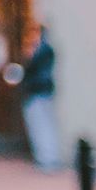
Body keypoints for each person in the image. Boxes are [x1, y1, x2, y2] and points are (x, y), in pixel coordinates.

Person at [20, 22, 61, 170]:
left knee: (42, 125)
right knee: (43, 125)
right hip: (40, 92)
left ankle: (48, 158)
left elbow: (33, 70)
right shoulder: (44, 50)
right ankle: (47, 157)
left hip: (39, 92)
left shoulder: (42, 51)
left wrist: (30, 54)